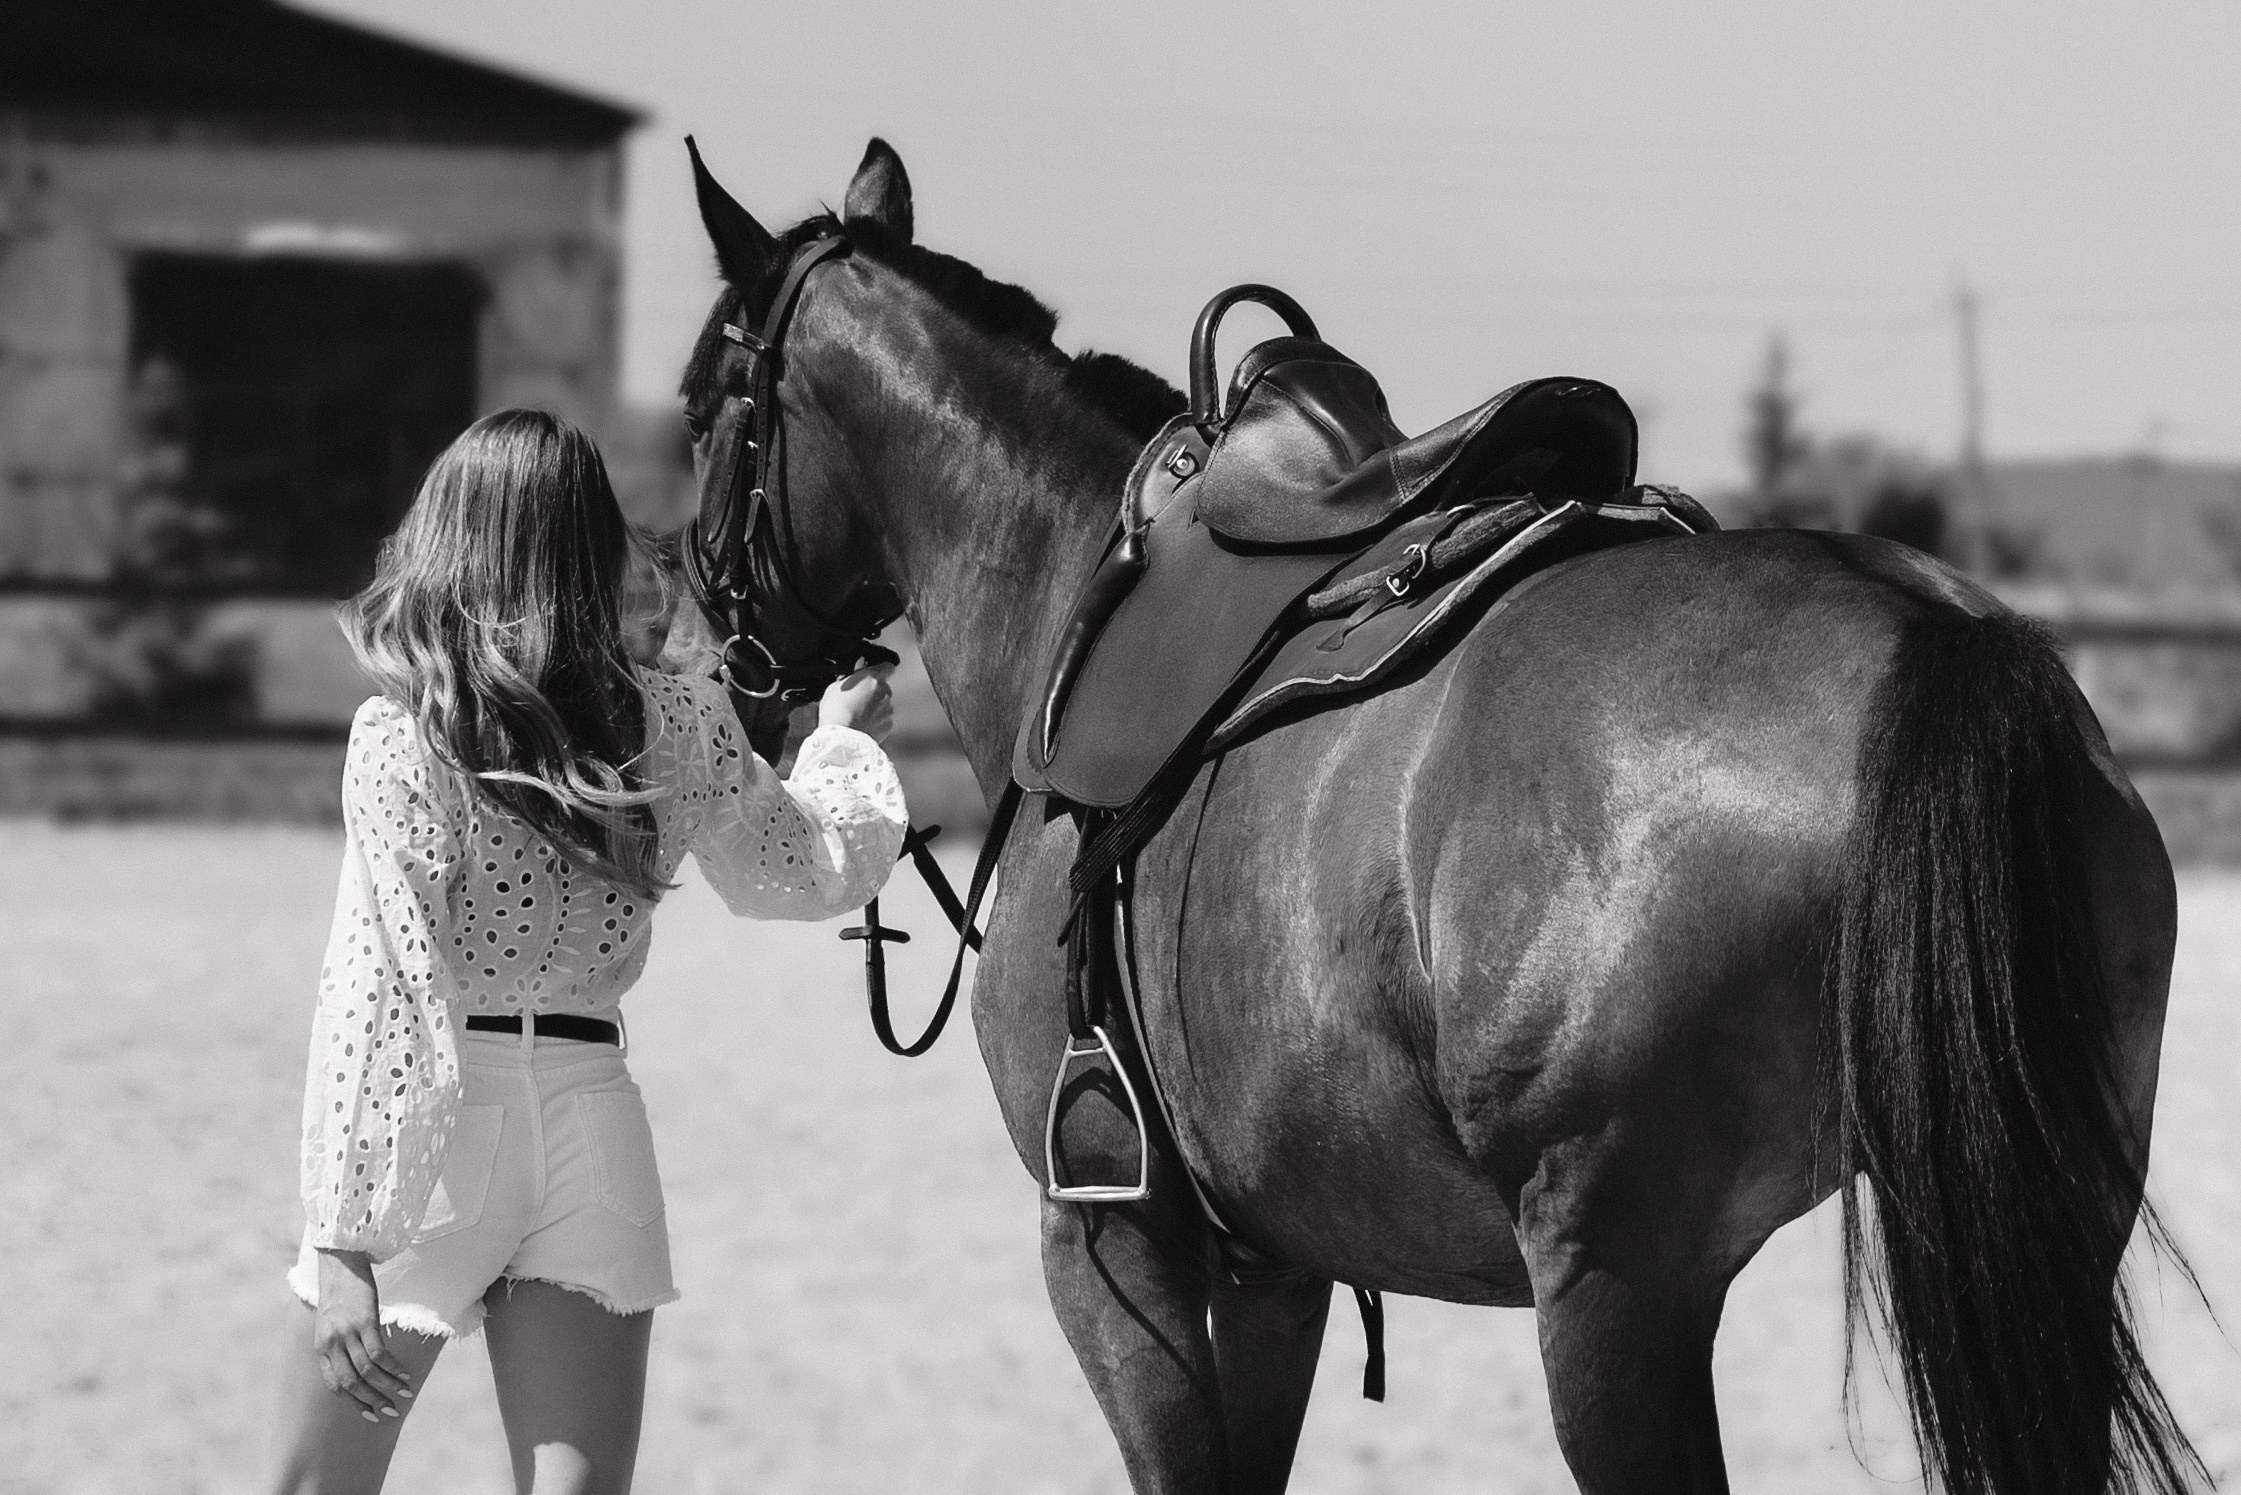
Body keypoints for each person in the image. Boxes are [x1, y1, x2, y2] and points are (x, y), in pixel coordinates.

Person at [262, 409, 905, 1495]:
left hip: (443, 1145)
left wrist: (341, 1239)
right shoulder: (676, 717)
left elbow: (383, 992)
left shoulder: (407, 734)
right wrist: (839, 739)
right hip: (594, 1124)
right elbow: (806, 868)